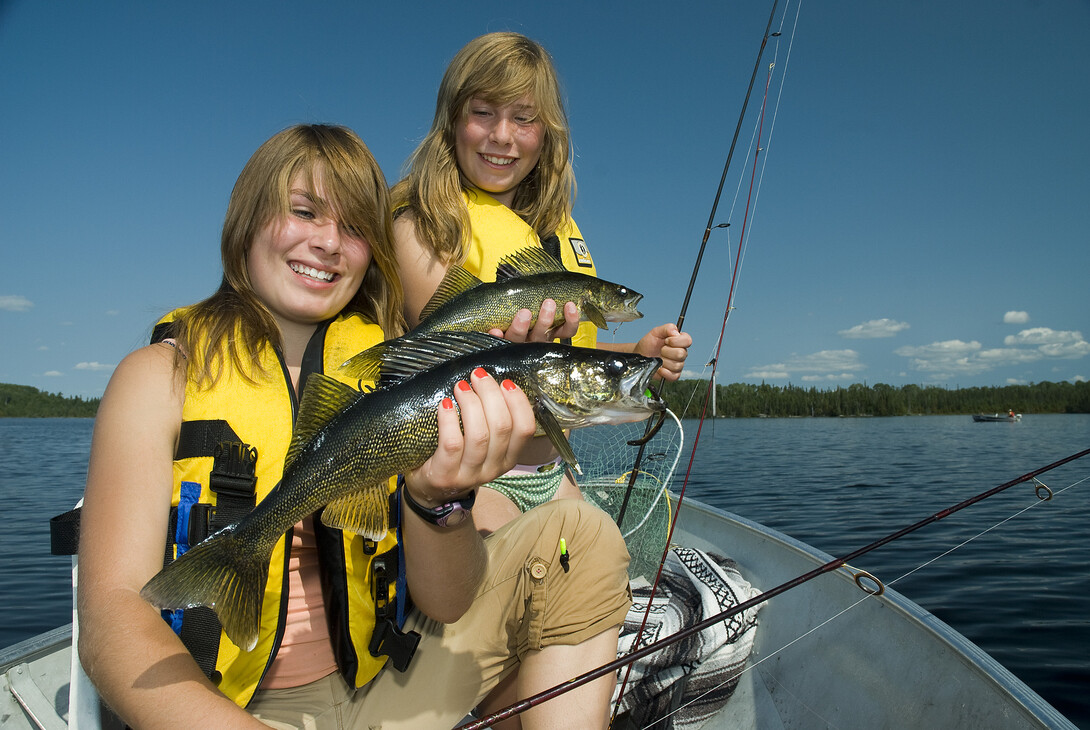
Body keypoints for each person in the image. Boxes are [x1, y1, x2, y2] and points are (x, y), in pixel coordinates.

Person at [76, 124, 631, 729]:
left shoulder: (402, 374)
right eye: (303, 212)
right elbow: (111, 615)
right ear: (245, 223)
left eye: (355, 227)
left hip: (387, 678)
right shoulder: (158, 378)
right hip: (237, 711)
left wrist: (439, 502)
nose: (327, 243)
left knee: (579, 534)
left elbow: (446, 602)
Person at [392, 32, 694, 535]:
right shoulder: (422, 224)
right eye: (483, 111)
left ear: (547, 132)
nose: (502, 136)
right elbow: (441, 348)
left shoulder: (550, 236)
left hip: (551, 469)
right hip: (473, 473)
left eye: (524, 118)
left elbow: (563, 354)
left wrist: (634, 353)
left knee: (594, 578)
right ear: (451, 122)